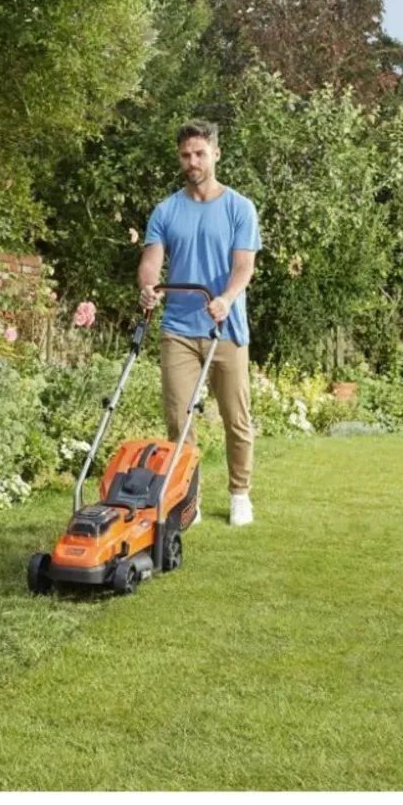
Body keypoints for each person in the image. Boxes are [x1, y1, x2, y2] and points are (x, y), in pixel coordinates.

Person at [138, 120, 262, 526]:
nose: (192, 161)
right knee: (180, 419)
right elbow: (151, 261)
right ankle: (188, 499)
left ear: (215, 155)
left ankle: (240, 494)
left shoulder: (239, 208)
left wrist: (226, 298)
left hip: (226, 328)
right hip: (178, 329)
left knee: (235, 418)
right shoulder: (166, 210)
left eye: (199, 154)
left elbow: (244, 266)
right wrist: (148, 287)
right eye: (185, 155)